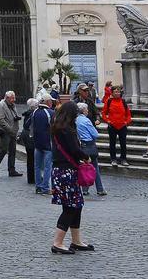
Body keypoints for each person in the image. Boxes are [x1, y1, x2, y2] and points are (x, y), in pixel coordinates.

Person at [49, 101, 94, 255]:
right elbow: (74, 149)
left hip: (60, 170)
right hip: (66, 171)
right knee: (70, 207)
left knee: (76, 205)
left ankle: (76, 241)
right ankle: (58, 242)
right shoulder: (66, 130)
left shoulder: (58, 127)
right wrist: (86, 156)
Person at [76, 102, 107, 196]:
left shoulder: (76, 120)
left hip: (82, 145)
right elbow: (95, 134)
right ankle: (100, 189)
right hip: (89, 145)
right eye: (87, 109)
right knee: (95, 167)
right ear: (84, 111)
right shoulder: (86, 121)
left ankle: (85, 189)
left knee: (85, 167)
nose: (88, 111)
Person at [0, 90, 22, 178]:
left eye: (14, 98)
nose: (14, 100)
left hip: (13, 131)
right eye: (12, 98)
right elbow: (0, 119)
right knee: (3, 150)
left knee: (12, 151)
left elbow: (12, 115)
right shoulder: (2, 105)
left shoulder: (12, 104)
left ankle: (11, 170)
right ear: (7, 98)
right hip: (5, 131)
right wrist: (9, 129)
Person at [102, 84, 132, 167]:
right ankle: (113, 159)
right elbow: (103, 113)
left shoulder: (123, 101)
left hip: (122, 126)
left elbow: (128, 114)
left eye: (118, 92)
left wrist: (127, 122)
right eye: (115, 92)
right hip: (112, 126)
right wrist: (107, 121)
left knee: (123, 143)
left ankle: (123, 159)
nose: (117, 93)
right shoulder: (109, 101)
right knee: (112, 143)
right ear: (112, 93)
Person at [31, 91, 55, 194]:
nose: (52, 103)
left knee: (37, 166)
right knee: (47, 166)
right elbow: (54, 128)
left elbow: (30, 126)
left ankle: (38, 187)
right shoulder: (50, 113)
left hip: (37, 143)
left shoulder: (35, 112)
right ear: (48, 102)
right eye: (51, 101)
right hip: (47, 144)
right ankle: (45, 188)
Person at [20, 97, 39, 186]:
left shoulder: (27, 113)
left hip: (25, 135)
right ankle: (34, 177)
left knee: (30, 157)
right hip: (30, 136)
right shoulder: (34, 114)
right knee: (33, 157)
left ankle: (31, 177)